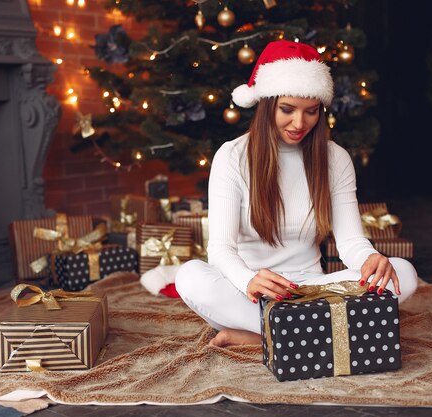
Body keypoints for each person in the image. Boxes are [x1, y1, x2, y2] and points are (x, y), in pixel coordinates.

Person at [174, 40, 418, 348]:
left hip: (314, 290)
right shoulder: (232, 156)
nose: (299, 123)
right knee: (190, 276)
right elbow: (221, 250)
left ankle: (268, 336)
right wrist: (248, 279)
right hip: (253, 294)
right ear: (266, 104)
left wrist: (370, 258)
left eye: (311, 112)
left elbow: (351, 242)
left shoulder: (335, 158)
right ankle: (325, 332)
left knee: (403, 273)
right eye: (287, 110)